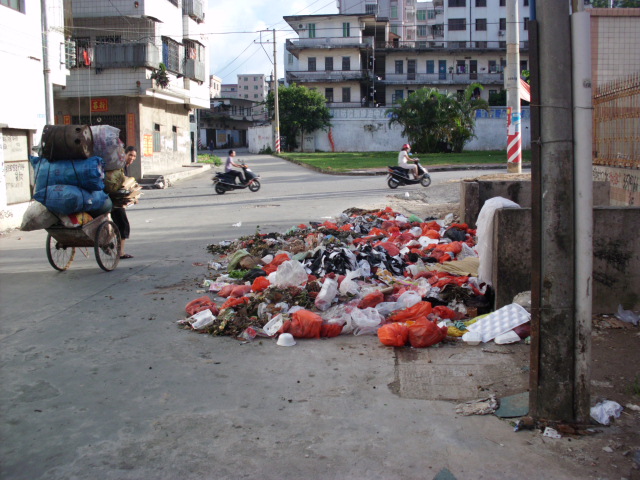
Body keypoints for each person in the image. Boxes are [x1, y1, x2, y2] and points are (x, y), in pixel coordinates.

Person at [111, 146, 137, 259]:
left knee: (118, 224)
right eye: (130, 155)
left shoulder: (122, 166)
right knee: (123, 225)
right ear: (125, 154)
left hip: (113, 199)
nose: (132, 158)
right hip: (115, 200)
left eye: (134, 156)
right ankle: (120, 252)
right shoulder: (120, 166)